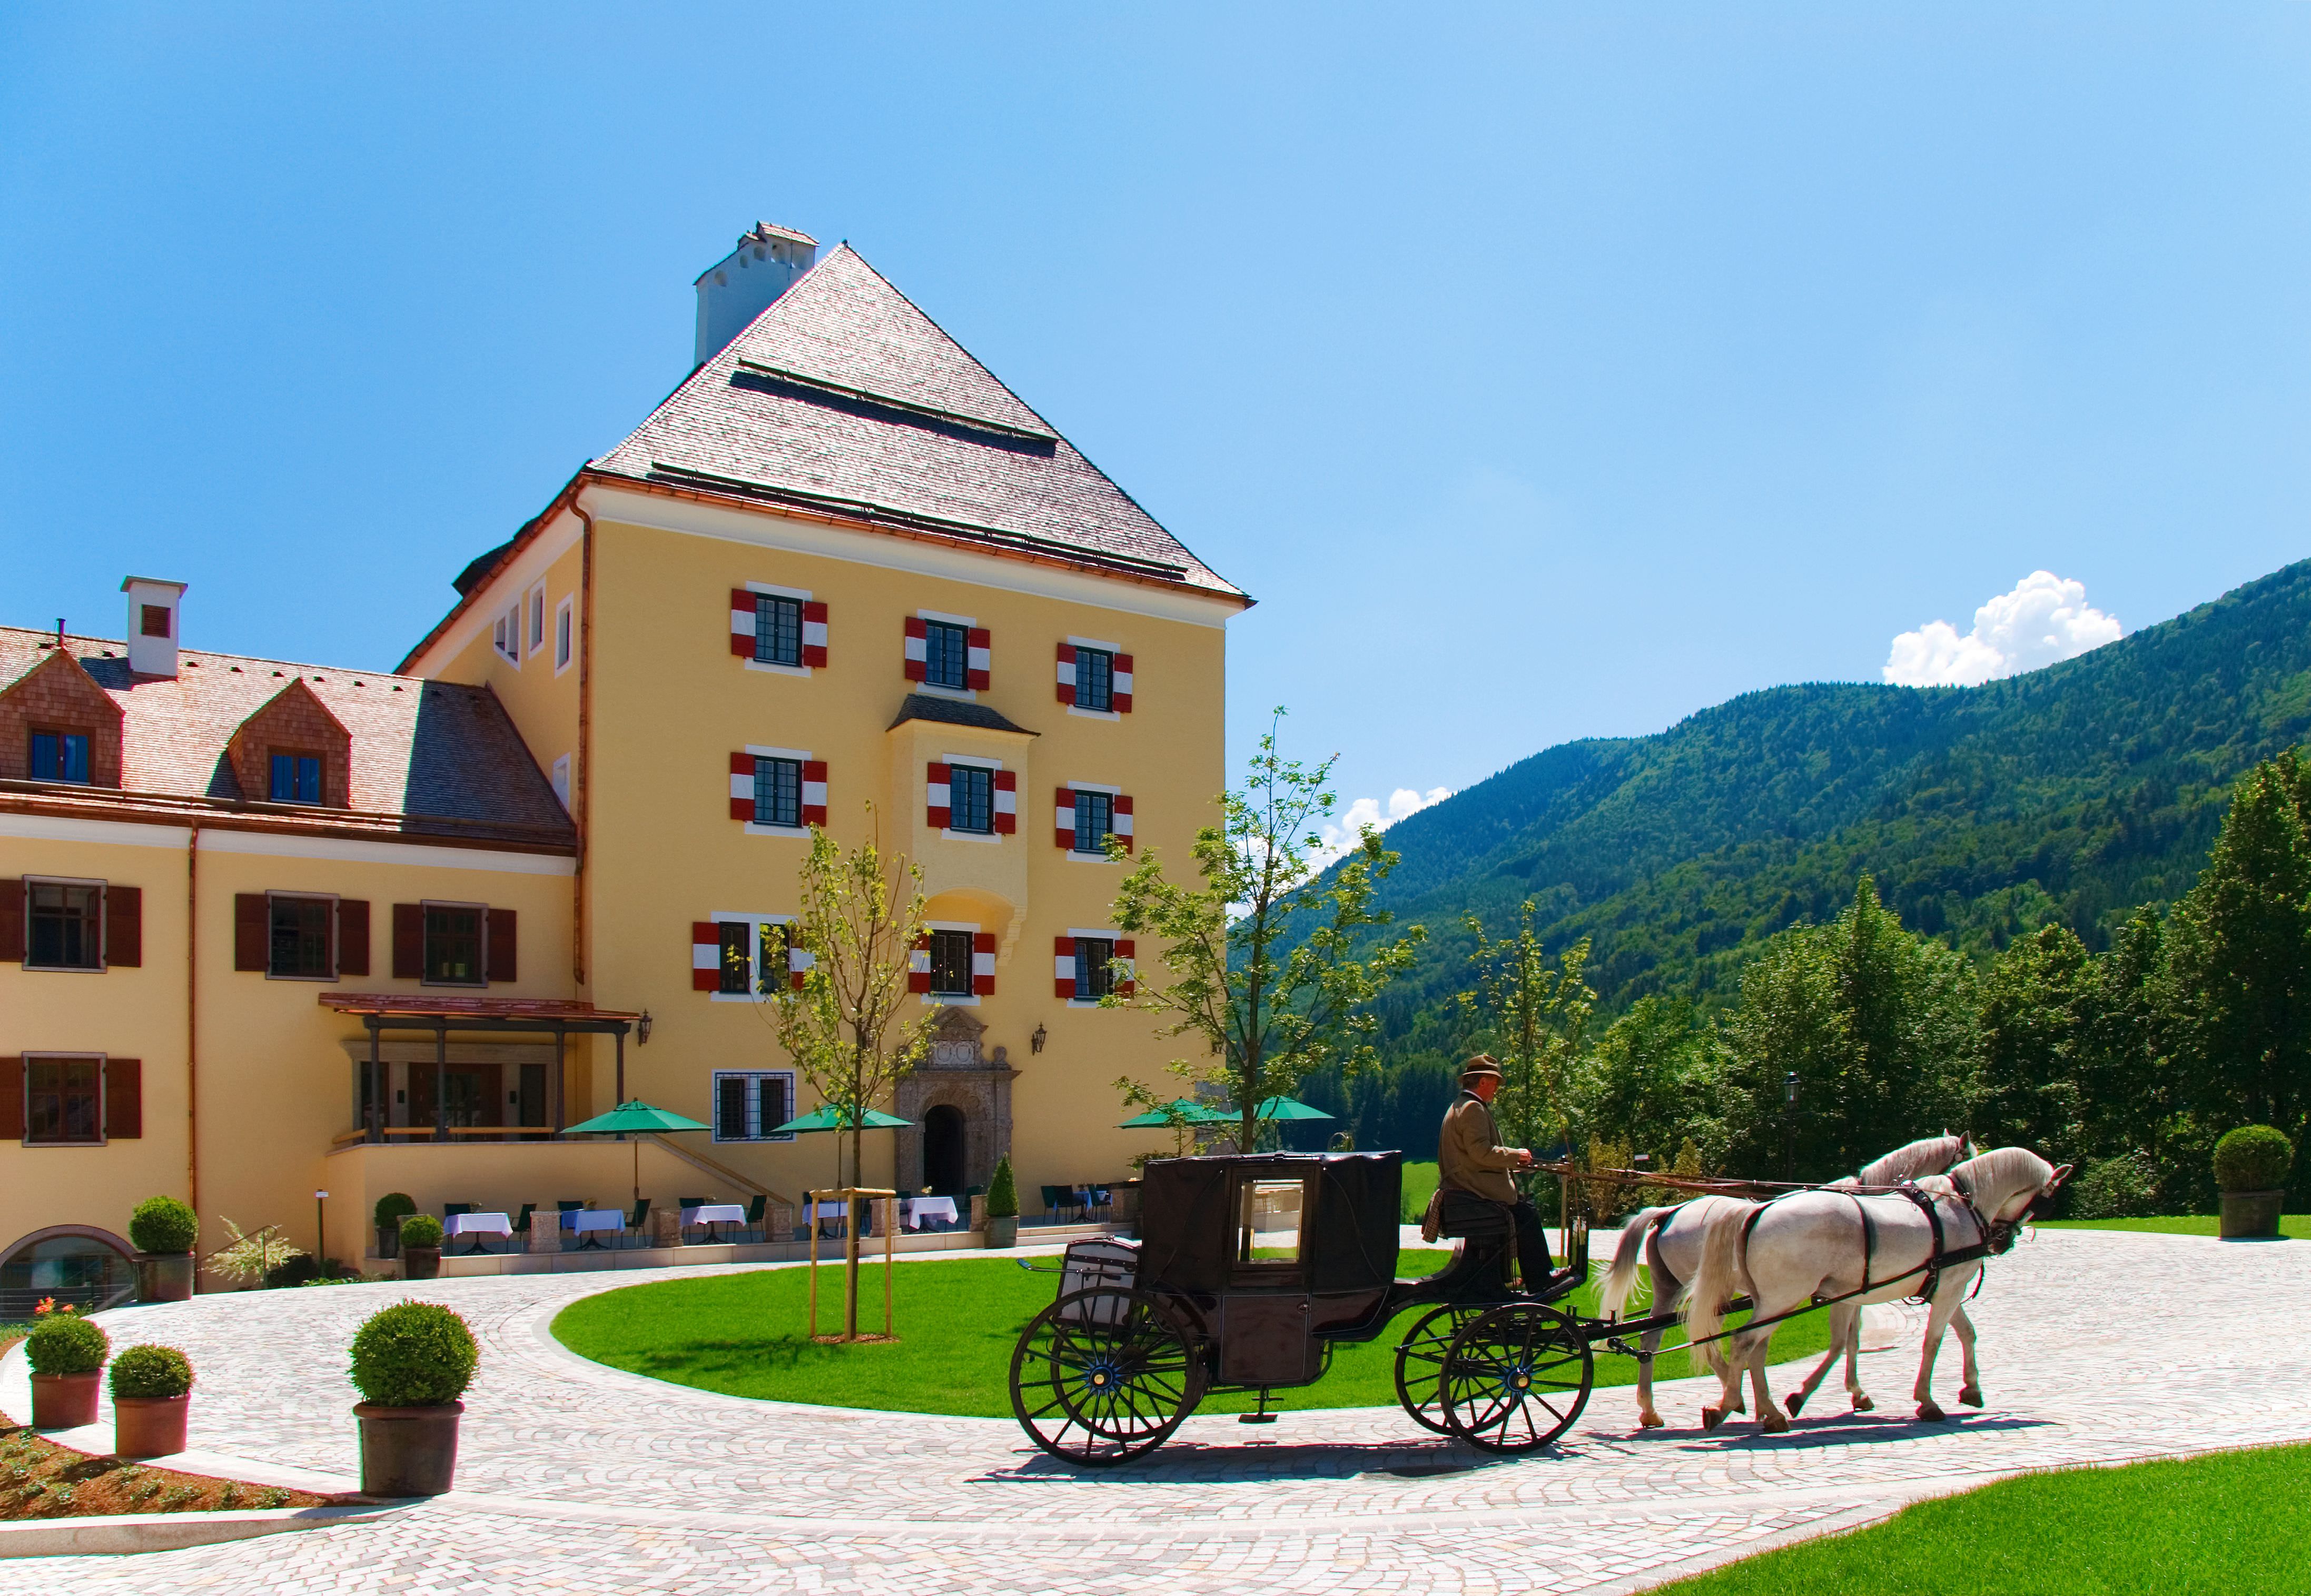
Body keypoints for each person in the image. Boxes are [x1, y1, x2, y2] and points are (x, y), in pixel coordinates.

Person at [1438, 1053, 1565, 1295]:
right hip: (1473, 1187)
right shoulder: (1473, 1109)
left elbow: (1473, 1155)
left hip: (1467, 1184)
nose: (1497, 1088)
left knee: (1525, 1207)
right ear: (1483, 1081)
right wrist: (1515, 1155)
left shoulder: (1460, 1105)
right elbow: (1480, 1151)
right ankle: (1539, 1278)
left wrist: (1511, 1162)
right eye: (1495, 1082)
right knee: (1526, 1214)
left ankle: (1522, 1276)